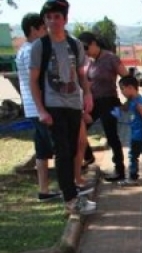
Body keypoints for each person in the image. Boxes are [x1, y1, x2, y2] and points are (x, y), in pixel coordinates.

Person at [28, 0, 96, 216]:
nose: (53, 21)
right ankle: (70, 200)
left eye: (57, 17)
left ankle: (72, 193)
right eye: (48, 17)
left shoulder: (75, 44)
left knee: (75, 148)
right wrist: (41, 110)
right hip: (53, 105)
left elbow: (82, 74)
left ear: (65, 19)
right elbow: (33, 80)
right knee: (63, 152)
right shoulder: (41, 46)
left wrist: (87, 94)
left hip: (73, 104)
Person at [15, 12, 59, 202]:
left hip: (33, 109)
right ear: (33, 29)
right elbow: (38, 81)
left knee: (42, 152)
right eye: (43, 27)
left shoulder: (23, 50)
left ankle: (44, 190)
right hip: (41, 108)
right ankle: (70, 188)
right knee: (60, 148)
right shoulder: (33, 50)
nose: (46, 30)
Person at [77, 32, 128, 183]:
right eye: (81, 49)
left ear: (94, 43)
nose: (84, 51)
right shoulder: (87, 61)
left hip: (110, 101)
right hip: (92, 102)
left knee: (112, 136)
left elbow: (126, 77)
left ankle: (119, 170)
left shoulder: (110, 58)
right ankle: (88, 156)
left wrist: (130, 100)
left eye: (86, 47)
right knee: (79, 129)